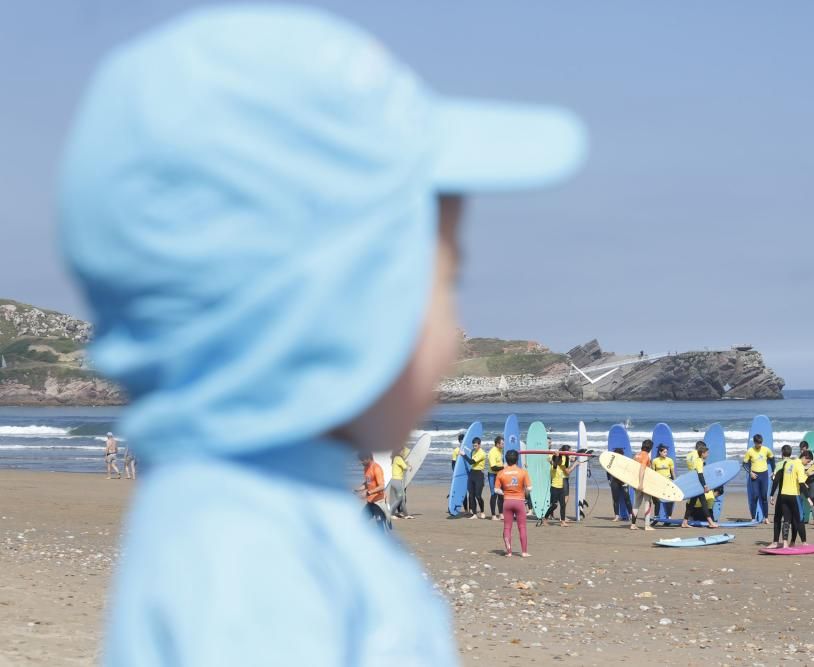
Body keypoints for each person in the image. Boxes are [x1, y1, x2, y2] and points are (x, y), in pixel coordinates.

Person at [59, 5, 586, 664]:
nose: (458, 330)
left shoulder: (261, 524)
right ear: (332, 302)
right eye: (443, 283)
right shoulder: (254, 569)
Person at [766, 445, 811, 549]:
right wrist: (808, 496)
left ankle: (777, 542)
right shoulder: (794, 463)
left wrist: (772, 494)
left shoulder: (781, 464)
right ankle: (794, 541)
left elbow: (775, 480)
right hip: (793, 494)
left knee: (779, 519)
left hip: (782, 495)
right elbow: (800, 481)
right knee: (796, 518)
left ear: (782, 453)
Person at [494, 450, 532, 557]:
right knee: (522, 527)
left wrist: (505, 492)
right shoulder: (523, 472)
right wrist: (523, 492)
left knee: (507, 527)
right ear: (517, 459)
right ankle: (524, 552)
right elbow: (530, 488)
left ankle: (509, 552)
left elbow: (496, 490)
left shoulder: (501, 473)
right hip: (519, 502)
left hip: (507, 502)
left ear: (506, 459)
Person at [681, 442, 720, 528]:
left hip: (694, 482)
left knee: (692, 503)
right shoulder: (699, 460)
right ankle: (710, 522)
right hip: (698, 484)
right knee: (704, 503)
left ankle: (684, 522)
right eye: (707, 452)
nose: (708, 454)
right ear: (702, 452)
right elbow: (700, 474)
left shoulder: (692, 457)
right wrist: (705, 486)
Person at [542, 445, 579, 527]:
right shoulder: (553, 467)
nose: (560, 461)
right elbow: (553, 461)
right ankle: (545, 518)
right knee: (554, 505)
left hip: (561, 487)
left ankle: (562, 522)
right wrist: (556, 455)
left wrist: (569, 457)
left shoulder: (561, 466)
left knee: (562, 505)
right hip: (554, 488)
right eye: (558, 460)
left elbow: (565, 462)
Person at [743, 433, 774, 524]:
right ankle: (753, 518)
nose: (759, 445)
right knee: (755, 496)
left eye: (760, 443)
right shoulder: (750, 451)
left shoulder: (766, 450)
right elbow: (744, 464)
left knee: (764, 496)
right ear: (755, 442)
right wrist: (750, 473)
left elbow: (772, 460)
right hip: (754, 476)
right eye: (758, 443)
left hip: (764, 475)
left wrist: (773, 471)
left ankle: (766, 518)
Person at [630, 439, 655, 531]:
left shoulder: (636, 455)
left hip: (635, 483)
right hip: (644, 483)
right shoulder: (645, 456)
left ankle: (633, 524)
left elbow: (632, 469)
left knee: (636, 503)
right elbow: (642, 469)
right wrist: (641, 483)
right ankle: (647, 525)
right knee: (647, 502)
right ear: (650, 448)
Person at [651, 444, 675, 525]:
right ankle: (656, 518)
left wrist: (675, 482)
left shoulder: (670, 460)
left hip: (668, 483)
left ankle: (668, 518)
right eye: (664, 452)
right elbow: (652, 473)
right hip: (658, 483)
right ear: (660, 452)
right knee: (657, 502)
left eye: (666, 452)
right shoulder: (655, 461)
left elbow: (672, 472)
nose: (666, 453)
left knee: (669, 501)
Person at [464, 437, 487, 519]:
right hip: (472, 473)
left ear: (479, 445)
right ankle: (474, 514)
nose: (474, 447)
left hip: (479, 475)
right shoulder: (473, 451)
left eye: (476, 446)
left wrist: (463, 455)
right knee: (471, 495)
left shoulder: (482, 453)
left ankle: (482, 511)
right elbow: (470, 463)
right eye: (473, 446)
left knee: (478, 495)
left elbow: (471, 461)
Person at [607, 447, 633, 521]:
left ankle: (631, 515)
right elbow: (607, 470)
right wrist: (609, 480)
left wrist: (628, 481)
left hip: (623, 481)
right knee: (615, 499)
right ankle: (617, 516)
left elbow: (629, 471)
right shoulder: (611, 461)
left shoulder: (625, 462)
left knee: (627, 498)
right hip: (614, 481)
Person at [388, 446, 413, 520]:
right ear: (399, 452)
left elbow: (404, 465)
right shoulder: (398, 458)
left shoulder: (395, 458)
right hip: (397, 482)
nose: (403, 452)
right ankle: (391, 513)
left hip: (395, 481)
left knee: (402, 498)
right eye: (402, 451)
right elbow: (405, 467)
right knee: (399, 498)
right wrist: (409, 467)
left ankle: (406, 515)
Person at [800, 450, 814, 527]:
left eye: (804, 450)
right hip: (802, 481)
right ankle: (801, 518)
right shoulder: (799, 461)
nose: (802, 451)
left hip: (812, 480)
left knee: (813, 498)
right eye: (801, 450)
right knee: (800, 498)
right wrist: (804, 483)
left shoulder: (813, 457)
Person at [488, 436, 505, 520]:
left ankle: (501, 513)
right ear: (498, 444)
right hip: (493, 475)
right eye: (502, 443)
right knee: (494, 494)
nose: (503, 445)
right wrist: (503, 467)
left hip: (500, 475)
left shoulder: (500, 450)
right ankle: (493, 515)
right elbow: (493, 467)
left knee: (501, 495)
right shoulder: (492, 452)